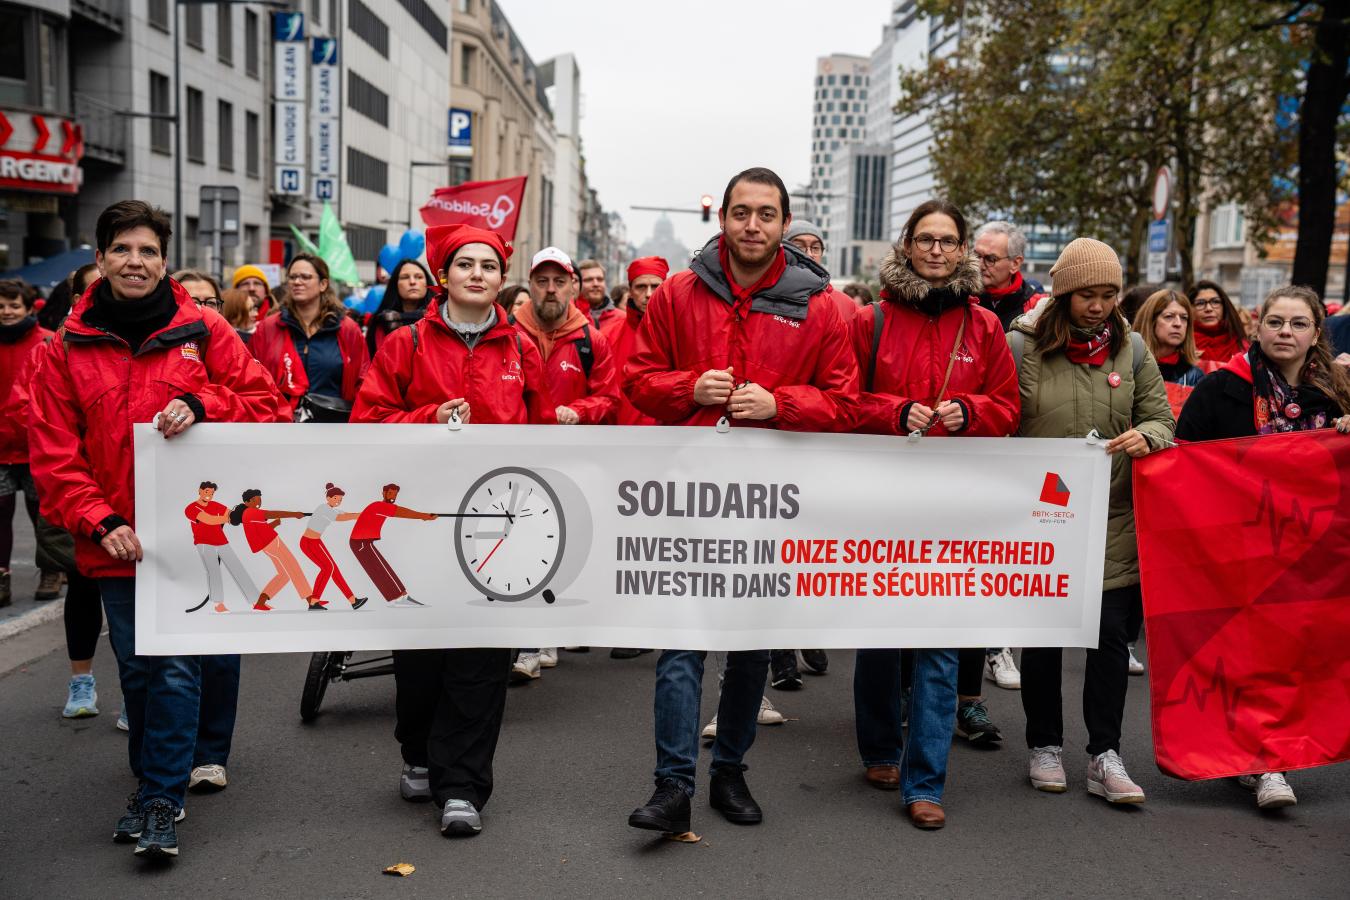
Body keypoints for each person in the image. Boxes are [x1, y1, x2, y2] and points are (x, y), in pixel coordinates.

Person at [28, 200, 284, 860]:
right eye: (122, 250)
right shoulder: (63, 347)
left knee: (173, 671)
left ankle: (162, 798)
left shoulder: (204, 329)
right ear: (100, 259)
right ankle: (152, 787)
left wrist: (204, 401)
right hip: (115, 542)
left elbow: (265, 405)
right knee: (138, 674)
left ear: (164, 260)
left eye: (147, 251)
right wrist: (100, 519)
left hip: (189, 540)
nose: (135, 262)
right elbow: (54, 452)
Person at [624, 166, 858, 835]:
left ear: (784, 224)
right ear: (721, 219)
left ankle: (730, 770)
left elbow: (844, 403)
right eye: (741, 213)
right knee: (681, 645)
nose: (752, 225)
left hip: (772, 504)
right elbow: (638, 380)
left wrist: (780, 403)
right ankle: (672, 785)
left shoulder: (821, 306)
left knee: (751, 647)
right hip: (691, 497)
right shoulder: (675, 293)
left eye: (766, 214)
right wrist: (686, 390)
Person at [352, 223, 553, 838]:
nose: (477, 274)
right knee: (421, 660)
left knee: (482, 659)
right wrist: (427, 417)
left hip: (496, 532)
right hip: (419, 527)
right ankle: (418, 751)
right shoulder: (405, 344)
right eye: (465, 264)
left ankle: (462, 785)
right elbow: (368, 418)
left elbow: (545, 435)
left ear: (500, 279)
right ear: (444, 275)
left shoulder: (523, 350)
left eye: (489, 266)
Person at [849, 199, 1020, 828]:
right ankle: (878, 747)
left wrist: (970, 413)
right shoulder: (872, 321)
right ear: (907, 246)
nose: (938, 250)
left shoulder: (985, 328)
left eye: (949, 240)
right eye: (927, 239)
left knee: (942, 643)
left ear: (964, 249)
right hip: (883, 499)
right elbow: (846, 403)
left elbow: (1007, 408)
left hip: (955, 503)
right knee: (879, 635)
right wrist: (894, 412)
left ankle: (927, 782)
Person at [1006, 237, 1174, 806]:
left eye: (1108, 295)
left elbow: (1160, 418)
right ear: (1062, 294)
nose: (1098, 307)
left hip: (1112, 521)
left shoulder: (1133, 352)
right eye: (1086, 296)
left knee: (1107, 643)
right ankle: (1044, 745)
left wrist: (1147, 437)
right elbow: (1000, 421)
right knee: (1045, 640)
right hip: (1042, 522)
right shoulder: (1020, 346)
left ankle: (1106, 754)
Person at [1175, 284, 1350, 809]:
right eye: (1276, 322)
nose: (1285, 333)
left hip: (1309, 554)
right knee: (1246, 656)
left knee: (1293, 657)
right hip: (1238, 549)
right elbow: (1184, 460)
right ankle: (1265, 763)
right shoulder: (1223, 387)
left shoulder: (1339, 390)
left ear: (1316, 332)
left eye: (1298, 324)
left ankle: (1268, 756)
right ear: (1258, 326)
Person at [510, 247, 622, 678]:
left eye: (560, 280)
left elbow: (609, 396)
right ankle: (531, 643)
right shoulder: (507, 332)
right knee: (522, 544)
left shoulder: (592, 340)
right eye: (543, 280)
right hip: (517, 458)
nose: (551, 289)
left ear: (573, 286)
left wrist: (581, 409)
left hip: (570, 459)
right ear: (531, 285)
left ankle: (545, 636)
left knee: (555, 545)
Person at [0, 312, 109, 719]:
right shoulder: (52, 349)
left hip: (133, 487)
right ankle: (82, 680)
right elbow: (28, 409)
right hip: (78, 486)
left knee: (131, 600)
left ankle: (142, 688)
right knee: (82, 584)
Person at [250, 254, 369, 421]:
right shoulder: (268, 327)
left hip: (333, 428)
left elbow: (362, 382)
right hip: (280, 428)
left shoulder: (348, 329)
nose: (297, 282)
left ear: (323, 284)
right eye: (292, 277)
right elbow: (253, 379)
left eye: (305, 277)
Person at [0, 278, 58, 606]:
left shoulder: (48, 341)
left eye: (13, 306)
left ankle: (51, 568)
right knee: (0, 512)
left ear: (27, 306)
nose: (7, 312)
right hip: (0, 447)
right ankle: (1, 576)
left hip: (37, 445)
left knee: (43, 513)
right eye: (1, 307)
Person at [346, 484, 437, 608]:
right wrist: (424, 516)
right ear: (383, 493)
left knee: (381, 569)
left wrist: (423, 516)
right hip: (361, 542)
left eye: (395, 494)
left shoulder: (385, 507)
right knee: (381, 569)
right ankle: (401, 598)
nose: (393, 496)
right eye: (390, 493)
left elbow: (399, 511)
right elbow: (402, 512)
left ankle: (401, 598)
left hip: (363, 542)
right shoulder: (379, 506)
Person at [228, 489, 320, 610]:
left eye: (259, 500)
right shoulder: (250, 512)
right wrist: (294, 514)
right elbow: (272, 513)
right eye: (256, 500)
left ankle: (260, 603)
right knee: (294, 567)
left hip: (268, 546)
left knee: (283, 575)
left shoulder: (249, 515)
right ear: (247, 501)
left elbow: (262, 532)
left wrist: (275, 525)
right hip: (273, 544)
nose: (259, 503)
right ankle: (311, 601)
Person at [185, 482, 258, 615]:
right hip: (204, 543)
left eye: (212, 493)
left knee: (238, 568)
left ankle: (256, 601)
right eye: (207, 492)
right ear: (200, 491)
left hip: (222, 541)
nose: (209, 495)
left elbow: (231, 515)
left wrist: (240, 514)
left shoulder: (215, 505)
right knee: (214, 572)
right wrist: (228, 518)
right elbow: (209, 520)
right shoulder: (191, 508)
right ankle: (218, 604)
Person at [298, 483, 365, 610]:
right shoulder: (324, 508)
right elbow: (340, 518)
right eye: (335, 499)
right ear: (328, 498)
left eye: (340, 500)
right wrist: (360, 515)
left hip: (315, 542)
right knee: (328, 568)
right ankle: (314, 602)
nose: (338, 502)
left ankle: (353, 601)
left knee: (333, 569)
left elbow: (346, 514)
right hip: (309, 543)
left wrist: (360, 514)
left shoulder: (331, 509)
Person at [974, 221, 1043, 332]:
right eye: (976, 255)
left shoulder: (1036, 309)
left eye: (991, 259)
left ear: (1015, 263)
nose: (980, 265)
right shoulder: (961, 298)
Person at [785, 218, 857, 323]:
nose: (809, 254)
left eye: (815, 248)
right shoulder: (765, 295)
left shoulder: (846, 305)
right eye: (799, 247)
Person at [1134, 289, 1204, 386]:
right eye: (1169, 316)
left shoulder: (1194, 376)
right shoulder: (1129, 366)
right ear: (1151, 321)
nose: (1178, 324)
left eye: (1184, 318)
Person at [366, 259, 433, 358]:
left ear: (427, 283)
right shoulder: (380, 323)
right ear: (395, 284)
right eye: (405, 277)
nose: (412, 282)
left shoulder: (440, 319)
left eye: (419, 277)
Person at [1188, 280, 1248, 371]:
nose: (1209, 308)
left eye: (1215, 302)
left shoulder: (1243, 346)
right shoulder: (1182, 346)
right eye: (1200, 303)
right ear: (1190, 308)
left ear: (1224, 306)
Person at [577, 258, 620, 330]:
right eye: (589, 280)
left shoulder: (622, 320)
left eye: (600, 279)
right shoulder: (566, 318)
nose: (596, 284)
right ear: (577, 284)